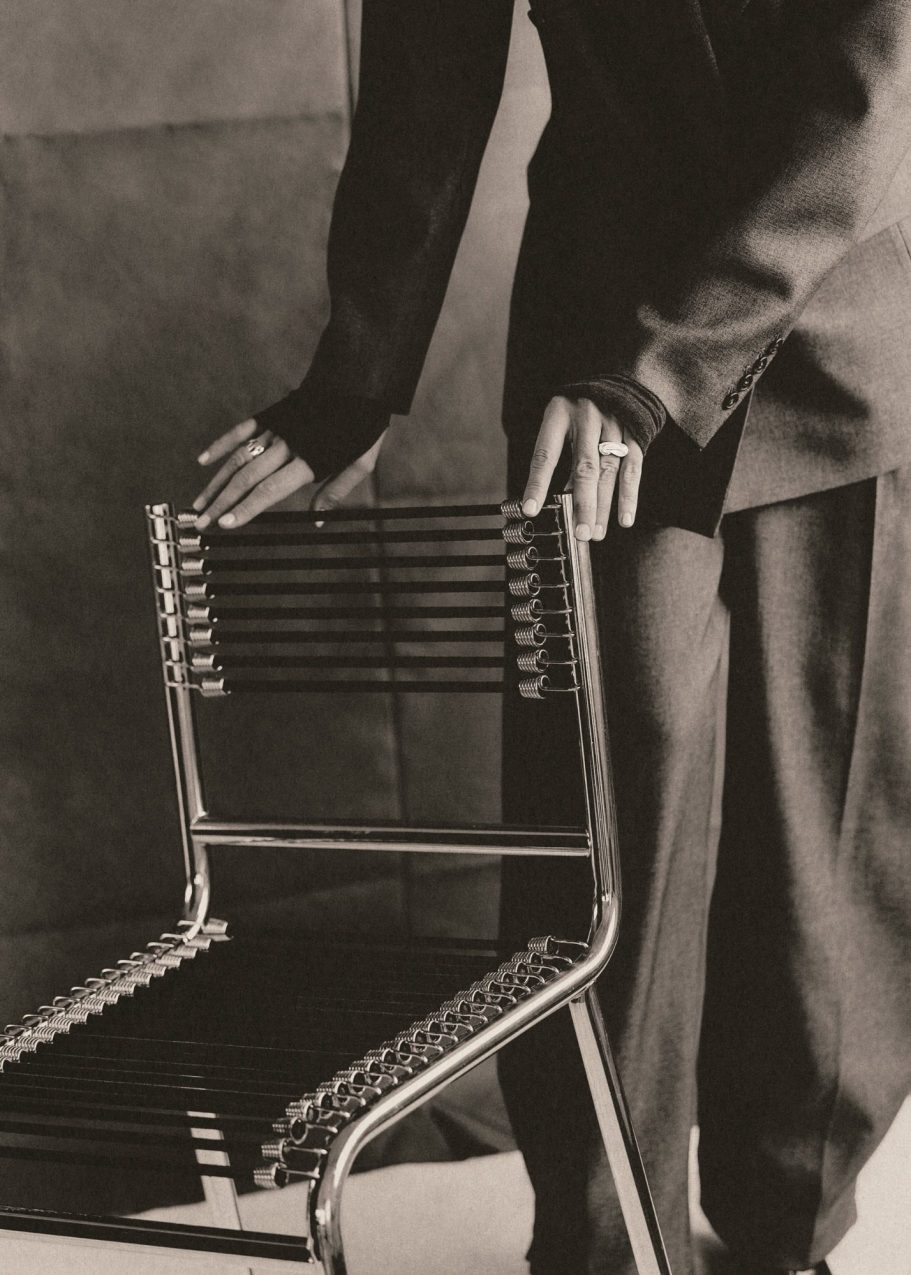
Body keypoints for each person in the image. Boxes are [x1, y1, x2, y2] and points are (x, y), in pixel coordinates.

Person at [192, 3, 911, 1272]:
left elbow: (865, 96)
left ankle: (788, 1227)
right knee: (597, 835)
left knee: (823, 830)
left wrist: (659, 373)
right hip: (595, 341)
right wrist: (358, 376)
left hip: (832, 336)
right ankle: (595, 1243)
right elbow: (427, 67)